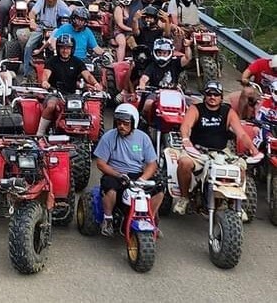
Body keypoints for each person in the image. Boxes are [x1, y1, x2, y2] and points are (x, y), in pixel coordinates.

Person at [172, 80, 261, 215]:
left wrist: (253, 150)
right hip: (197, 151)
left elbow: (241, 133)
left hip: (221, 152)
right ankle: (184, 198)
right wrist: (186, 140)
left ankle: (234, 203)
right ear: (205, 95)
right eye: (209, 94)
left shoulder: (228, 111)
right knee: (184, 163)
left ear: (221, 96)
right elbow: (186, 126)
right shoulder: (196, 109)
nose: (212, 97)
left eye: (216, 94)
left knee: (240, 168)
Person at [93, 103, 163, 236]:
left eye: (125, 123)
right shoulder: (109, 137)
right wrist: (118, 175)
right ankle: (108, 220)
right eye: (119, 123)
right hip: (116, 174)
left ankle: (150, 219)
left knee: (159, 187)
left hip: (137, 175)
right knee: (110, 187)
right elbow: (101, 164)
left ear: (133, 123)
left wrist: (143, 179)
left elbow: (152, 164)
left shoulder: (143, 138)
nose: (121, 126)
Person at [37, 35, 102, 136]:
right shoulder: (52, 61)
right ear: (58, 48)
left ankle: (89, 138)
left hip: (73, 95)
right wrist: (45, 82)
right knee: (51, 106)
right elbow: (45, 74)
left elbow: (87, 75)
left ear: (72, 49)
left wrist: (96, 84)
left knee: (86, 109)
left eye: (68, 48)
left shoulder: (77, 62)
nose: (65, 50)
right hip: (55, 93)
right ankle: (40, 133)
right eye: (62, 47)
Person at [21, 0, 71, 78]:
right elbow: (32, 12)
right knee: (29, 45)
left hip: (57, 29)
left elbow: (69, 15)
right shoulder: (41, 1)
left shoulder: (61, 4)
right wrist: (32, 21)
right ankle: (27, 72)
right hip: (41, 28)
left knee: (63, 47)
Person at [231, 54, 277, 118]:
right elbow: (247, 72)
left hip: (274, 94)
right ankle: (239, 116)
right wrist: (245, 79)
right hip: (259, 91)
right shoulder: (261, 63)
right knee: (247, 91)